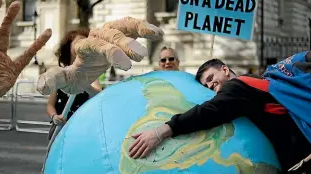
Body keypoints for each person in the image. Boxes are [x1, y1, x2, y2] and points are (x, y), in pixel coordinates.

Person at [128, 52, 311, 173]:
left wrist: (161, 132)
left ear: (224, 69)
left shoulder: (237, 86)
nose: (210, 86)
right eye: (206, 86)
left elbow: (209, 112)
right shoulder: (257, 80)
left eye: (211, 78)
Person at [46, 29, 102, 140]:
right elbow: (50, 105)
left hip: (83, 129)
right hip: (60, 129)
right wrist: (54, 116)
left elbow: (98, 95)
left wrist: (84, 83)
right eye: (79, 41)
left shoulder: (90, 75)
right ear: (68, 47)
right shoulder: (60, 75)